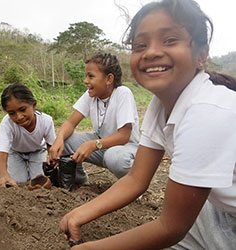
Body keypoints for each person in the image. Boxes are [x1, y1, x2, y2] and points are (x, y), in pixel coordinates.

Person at [59, 0, 236, 249]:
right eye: (140, 45)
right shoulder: (160, 105)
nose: (151, 52)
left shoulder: (207, 113)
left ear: (202, 54)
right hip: (218, 208)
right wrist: (79, 214)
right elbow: (135, 179)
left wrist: (90, 247)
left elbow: (171, 227)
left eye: (170, 40)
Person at [49, 52, 140, 184]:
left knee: (114, 158)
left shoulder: (122, 93)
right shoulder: (91, 95)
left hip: (125, 148)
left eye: (91, 76)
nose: (86, 81)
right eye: (86, 76)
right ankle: (78, 179)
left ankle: (134, 184)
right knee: (66, 141)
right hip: (101, 145)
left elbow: (124, 136)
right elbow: (70, 122)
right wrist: (59, 139)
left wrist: (93, 144)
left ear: (109, 79)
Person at [0, 83, 56, 187]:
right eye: (12, 113)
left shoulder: (46, 121)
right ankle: (21, 174)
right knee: (18, 182)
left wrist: (52, 160)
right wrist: (3, 175)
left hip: (37, 151)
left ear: (33, 105)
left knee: (39, 180)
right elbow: (1, 153)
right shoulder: (7, 124)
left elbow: (51, 146)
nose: (19, 117)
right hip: (15, 153)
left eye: (22, 110)